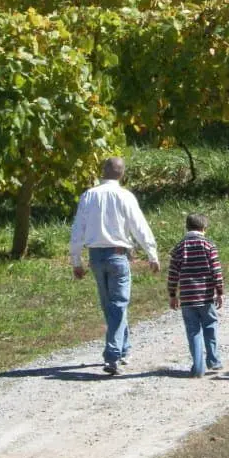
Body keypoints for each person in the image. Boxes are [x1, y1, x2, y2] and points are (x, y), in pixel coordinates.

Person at [71, 157, 159, 376]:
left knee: (110, 305)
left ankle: (124, 348)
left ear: (103, 171)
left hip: (96, 256)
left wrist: (76, 260)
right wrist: (152, 253)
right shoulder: (125, 196)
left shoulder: (89, 195)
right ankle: (112, 356)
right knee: (118, 304)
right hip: (118, 255)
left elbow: (77, 230)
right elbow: (139, 226)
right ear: (122, 174)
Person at [167, 213, 224, 378]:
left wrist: (172, 294)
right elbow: (216, 271)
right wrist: (219, 291)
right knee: (210, 326)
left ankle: (198, 367)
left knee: (193, 331)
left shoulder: (179, 248)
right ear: (204, 228)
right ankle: (213, 360)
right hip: (206, 296)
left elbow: (173, 274)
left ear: (187, 227)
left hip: (187, 297)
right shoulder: (209, 245)